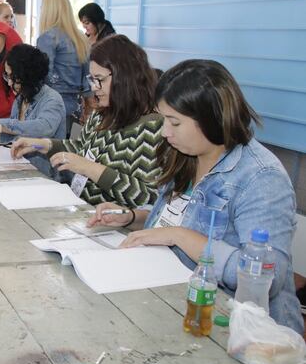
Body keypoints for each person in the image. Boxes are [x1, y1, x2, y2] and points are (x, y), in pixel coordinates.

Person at [87, 59, 304, 334]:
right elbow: (174, 215)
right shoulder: (187, 154)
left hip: (244, 330)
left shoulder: (261, 178)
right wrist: (132, 217)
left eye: (174, 122)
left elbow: (266, 277)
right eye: (163, 119)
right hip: (174, 300)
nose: (165, 132)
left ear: (211, 117)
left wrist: (181, 237)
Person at [11, 34, 162, 208]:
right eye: (91, 79)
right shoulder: (103, 113)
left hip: (117, 227)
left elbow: (148, 199)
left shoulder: (151, 128)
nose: (93, 87)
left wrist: (89, 168)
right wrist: (42, 145)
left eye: (100, 79)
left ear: (126, 77)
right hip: (82, 208)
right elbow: (82, 148)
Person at [0, 44, 65, 176]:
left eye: (14, 78)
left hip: (44, 174)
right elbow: (18, 134)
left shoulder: (52, 100)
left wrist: (0, 126)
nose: (9, 83)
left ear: (28, 77)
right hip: (21, 167)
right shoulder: (21, 99)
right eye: (7, 76)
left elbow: (43, 128)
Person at [36, 0, 91, 134]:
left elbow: (43, 75)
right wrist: (88, 108)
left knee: (50, 151)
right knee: (69, 150)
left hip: (52, 105)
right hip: (76, 107)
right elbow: (88, 79)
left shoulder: (48, 37)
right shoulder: (81, 38)